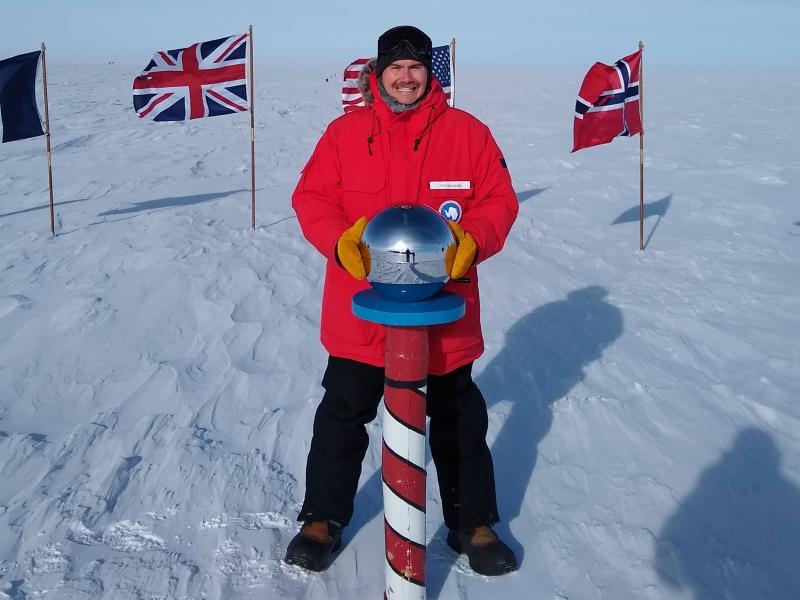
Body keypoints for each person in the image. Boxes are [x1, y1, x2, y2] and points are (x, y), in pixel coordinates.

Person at [286, 25, 519, 576]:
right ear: (378, 73)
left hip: (443, 315)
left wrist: (473, 240)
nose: (406, 76)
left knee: (459, 416)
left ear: (428, 73)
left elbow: (499, 200)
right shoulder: (345, 135)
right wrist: (341, 244)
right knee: (343, 413)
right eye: (396, 67)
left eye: (416, 67)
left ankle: (473, 523)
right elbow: (311, 197)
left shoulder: (468, 133)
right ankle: (322, 516)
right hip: (363, 310)